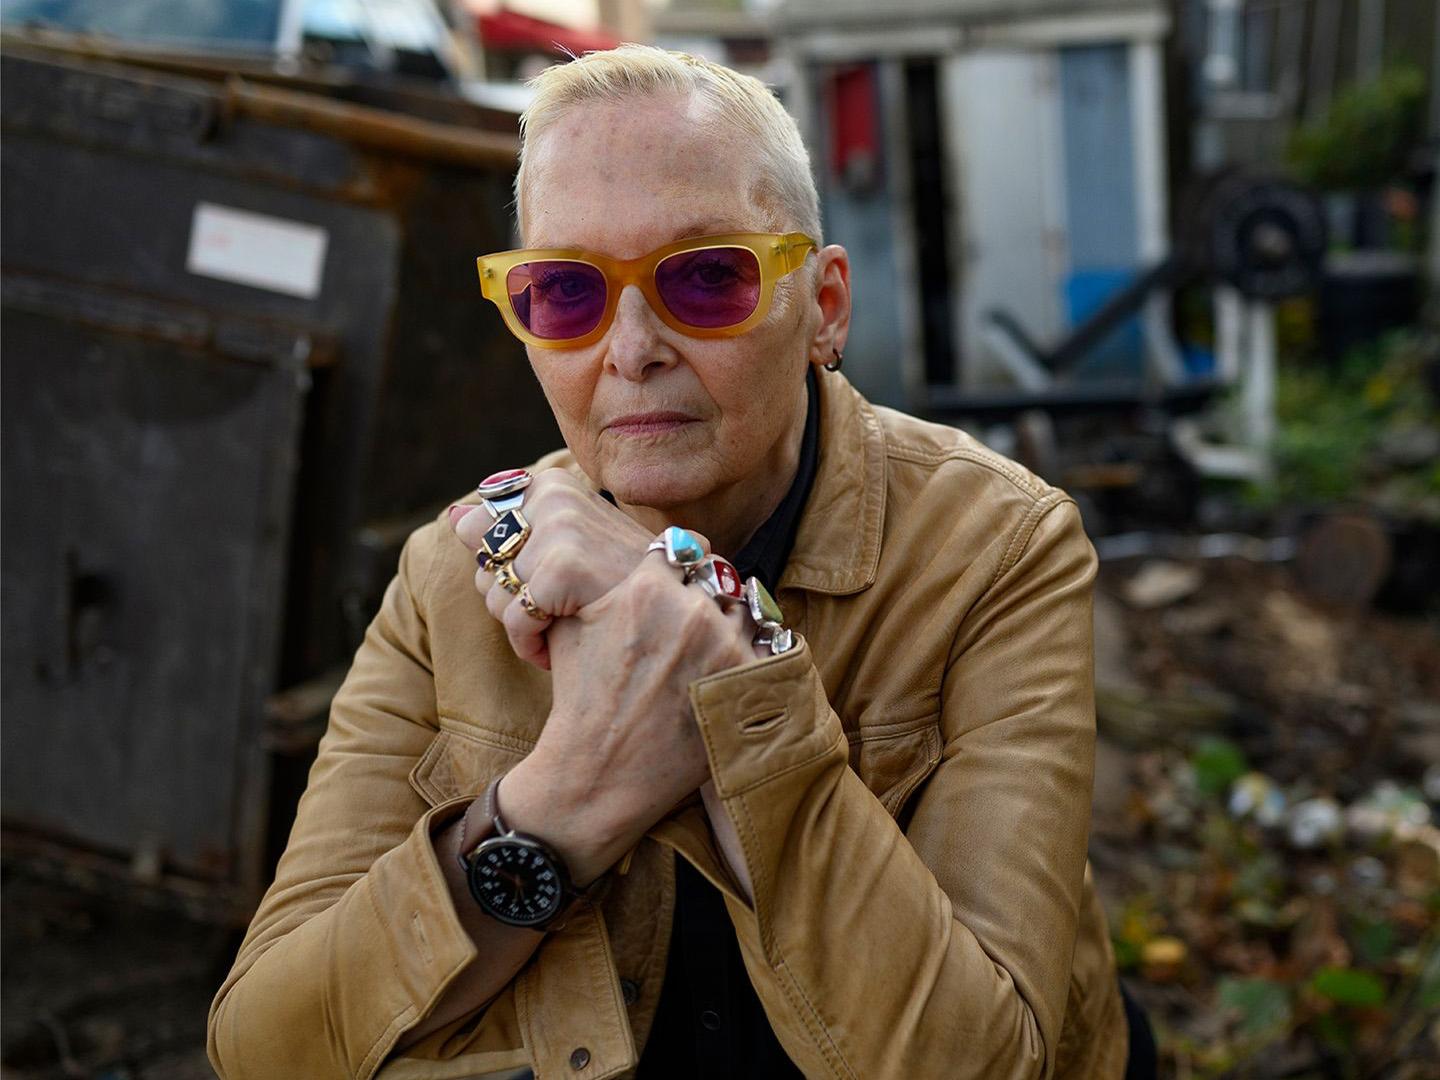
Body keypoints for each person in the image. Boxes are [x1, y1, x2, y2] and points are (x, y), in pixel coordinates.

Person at [208, 44, 1131, 1080]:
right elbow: (265, 1048)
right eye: (567, 291)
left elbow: (980, 1061)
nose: (631, 347)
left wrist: (733, 685)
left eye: (707, 277)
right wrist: (555, 809)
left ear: (824, 306)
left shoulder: (996, 549)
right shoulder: (450, 576)